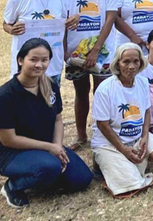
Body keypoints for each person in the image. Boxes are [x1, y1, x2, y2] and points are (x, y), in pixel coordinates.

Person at [0, 39, 92, 208]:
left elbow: (58, 120)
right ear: (20, 60)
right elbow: (9, 140)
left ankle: (45, 174)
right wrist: (50, 148)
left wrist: (57, 146)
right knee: (50, 167)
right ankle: (13, 187)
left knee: (82, 179)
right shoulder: (6, 95)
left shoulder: (50, 85)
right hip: (12, 154)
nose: (39, 65)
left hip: (46, 147)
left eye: (44, 60)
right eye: (33, 59)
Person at [91, 43, 153, 198]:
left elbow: (147, 110)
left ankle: (122, 165)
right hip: (109, 143)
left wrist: (145, 137)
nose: (132, 66)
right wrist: (123, 150)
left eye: (136, 61)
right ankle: (106, 162)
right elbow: (102, 125)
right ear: (117, 64)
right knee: (130, 186)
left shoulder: (141, 82)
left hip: (135, 137)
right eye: (126, 62)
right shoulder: (105, 88)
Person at [64, 0, 118, 151]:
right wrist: (65, 52)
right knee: (81, 92)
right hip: (76, 51)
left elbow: (110, 19)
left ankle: (101, 132)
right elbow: (65, 19)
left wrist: (96, 50)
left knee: (102, 92)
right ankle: (80, 135)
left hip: (102, 52)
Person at [4, 0, 76, 85]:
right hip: (26, 66)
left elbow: (67, 22)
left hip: (52, 64)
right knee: (24, 103)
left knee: (51, 103)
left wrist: (75, 19)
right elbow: (6, 24)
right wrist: (12, 29)